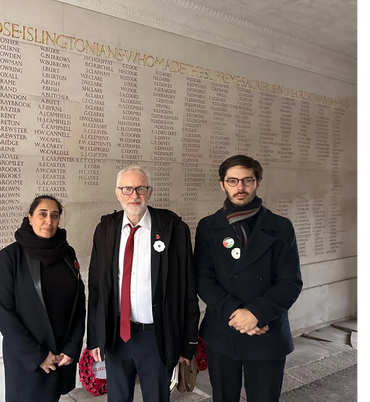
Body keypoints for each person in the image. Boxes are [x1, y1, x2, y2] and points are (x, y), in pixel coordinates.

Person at [87, 164, 200, 402]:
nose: (134, 195)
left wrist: (187, 344)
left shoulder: (174, 229)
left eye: (140, 188)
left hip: (156, 336)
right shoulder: (105, 230)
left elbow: (188, 290)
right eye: (127, 189)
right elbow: (96, 288)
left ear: (150, 191)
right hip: (117, 336)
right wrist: (95, 338)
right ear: (117, 193)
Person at [194, 155, 303, 402]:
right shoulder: (208, 227)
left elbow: (290, 282)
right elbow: (202, 278)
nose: (240, 187)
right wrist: (236, 314)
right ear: (222, 184)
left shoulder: (281, 227)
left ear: (258, 182)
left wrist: (255, 314)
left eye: (247, 180)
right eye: (232, 181)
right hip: (223, 331)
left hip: (267, 330)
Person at [0, 195, 86, 402]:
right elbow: (3, 312)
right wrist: (38, 355)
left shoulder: (67, 253)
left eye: (54, 215)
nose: (49, 220)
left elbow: (79, 302)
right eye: (42, 214)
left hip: (60, 356)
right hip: (27, 359)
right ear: (30, 218)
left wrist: (72, 347)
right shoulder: (10, 257)